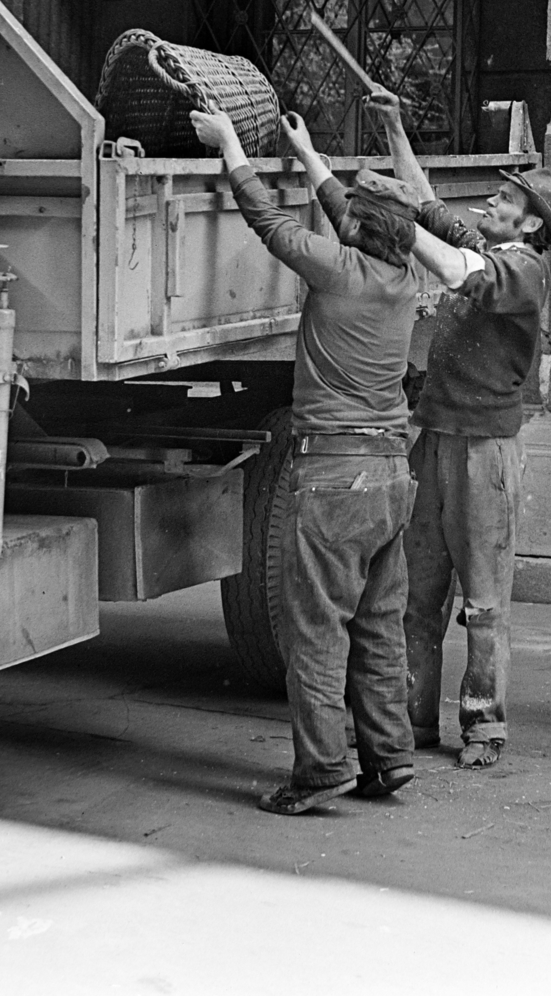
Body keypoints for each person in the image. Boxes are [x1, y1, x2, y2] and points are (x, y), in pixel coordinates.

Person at [190, 105, 421, 815]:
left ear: (359, 226)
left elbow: (270, 221)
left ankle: (322, 769)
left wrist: (231, 145)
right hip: (390, 477)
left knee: (317, 628)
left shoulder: (337, 271)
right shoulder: (400, 278)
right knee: (378, 625)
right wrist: (308, 150)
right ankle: (388, 758)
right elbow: (344, 213)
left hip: (334, 477)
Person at [366, 89, 551, 770]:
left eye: (509, 199)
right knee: (416, 593)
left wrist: (398, 225)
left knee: (483, 601)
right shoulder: (494, 247)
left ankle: (484, 725)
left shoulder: (524, 270)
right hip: (439, 440)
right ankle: (414, 720)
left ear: (534, 224)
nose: (493, 202)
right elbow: (426, 201)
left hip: (485, 452)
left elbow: (448, 261)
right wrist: (395, 127)